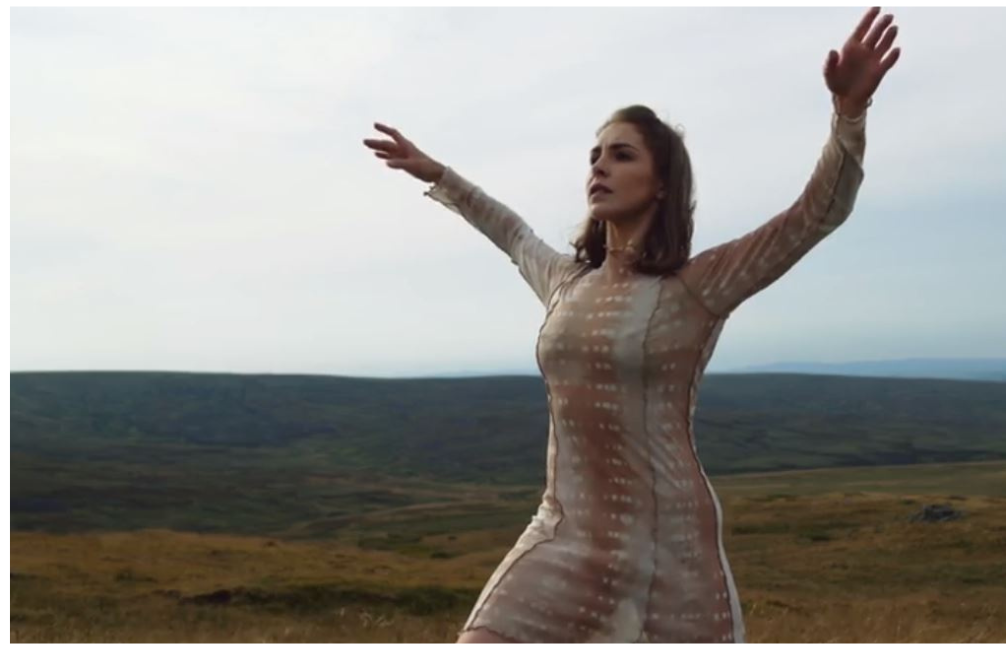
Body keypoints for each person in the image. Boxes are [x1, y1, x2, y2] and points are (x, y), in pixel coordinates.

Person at [363, 6, 900, 643]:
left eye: (620, 155)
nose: (599, 167)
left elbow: (817, 214)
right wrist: (439, 174)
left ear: (663, 183)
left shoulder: (697, 289)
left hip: (666, 546)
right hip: (563, 531)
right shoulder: (566, 281)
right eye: (594, 156)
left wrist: (848, 116)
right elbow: (511, 232)